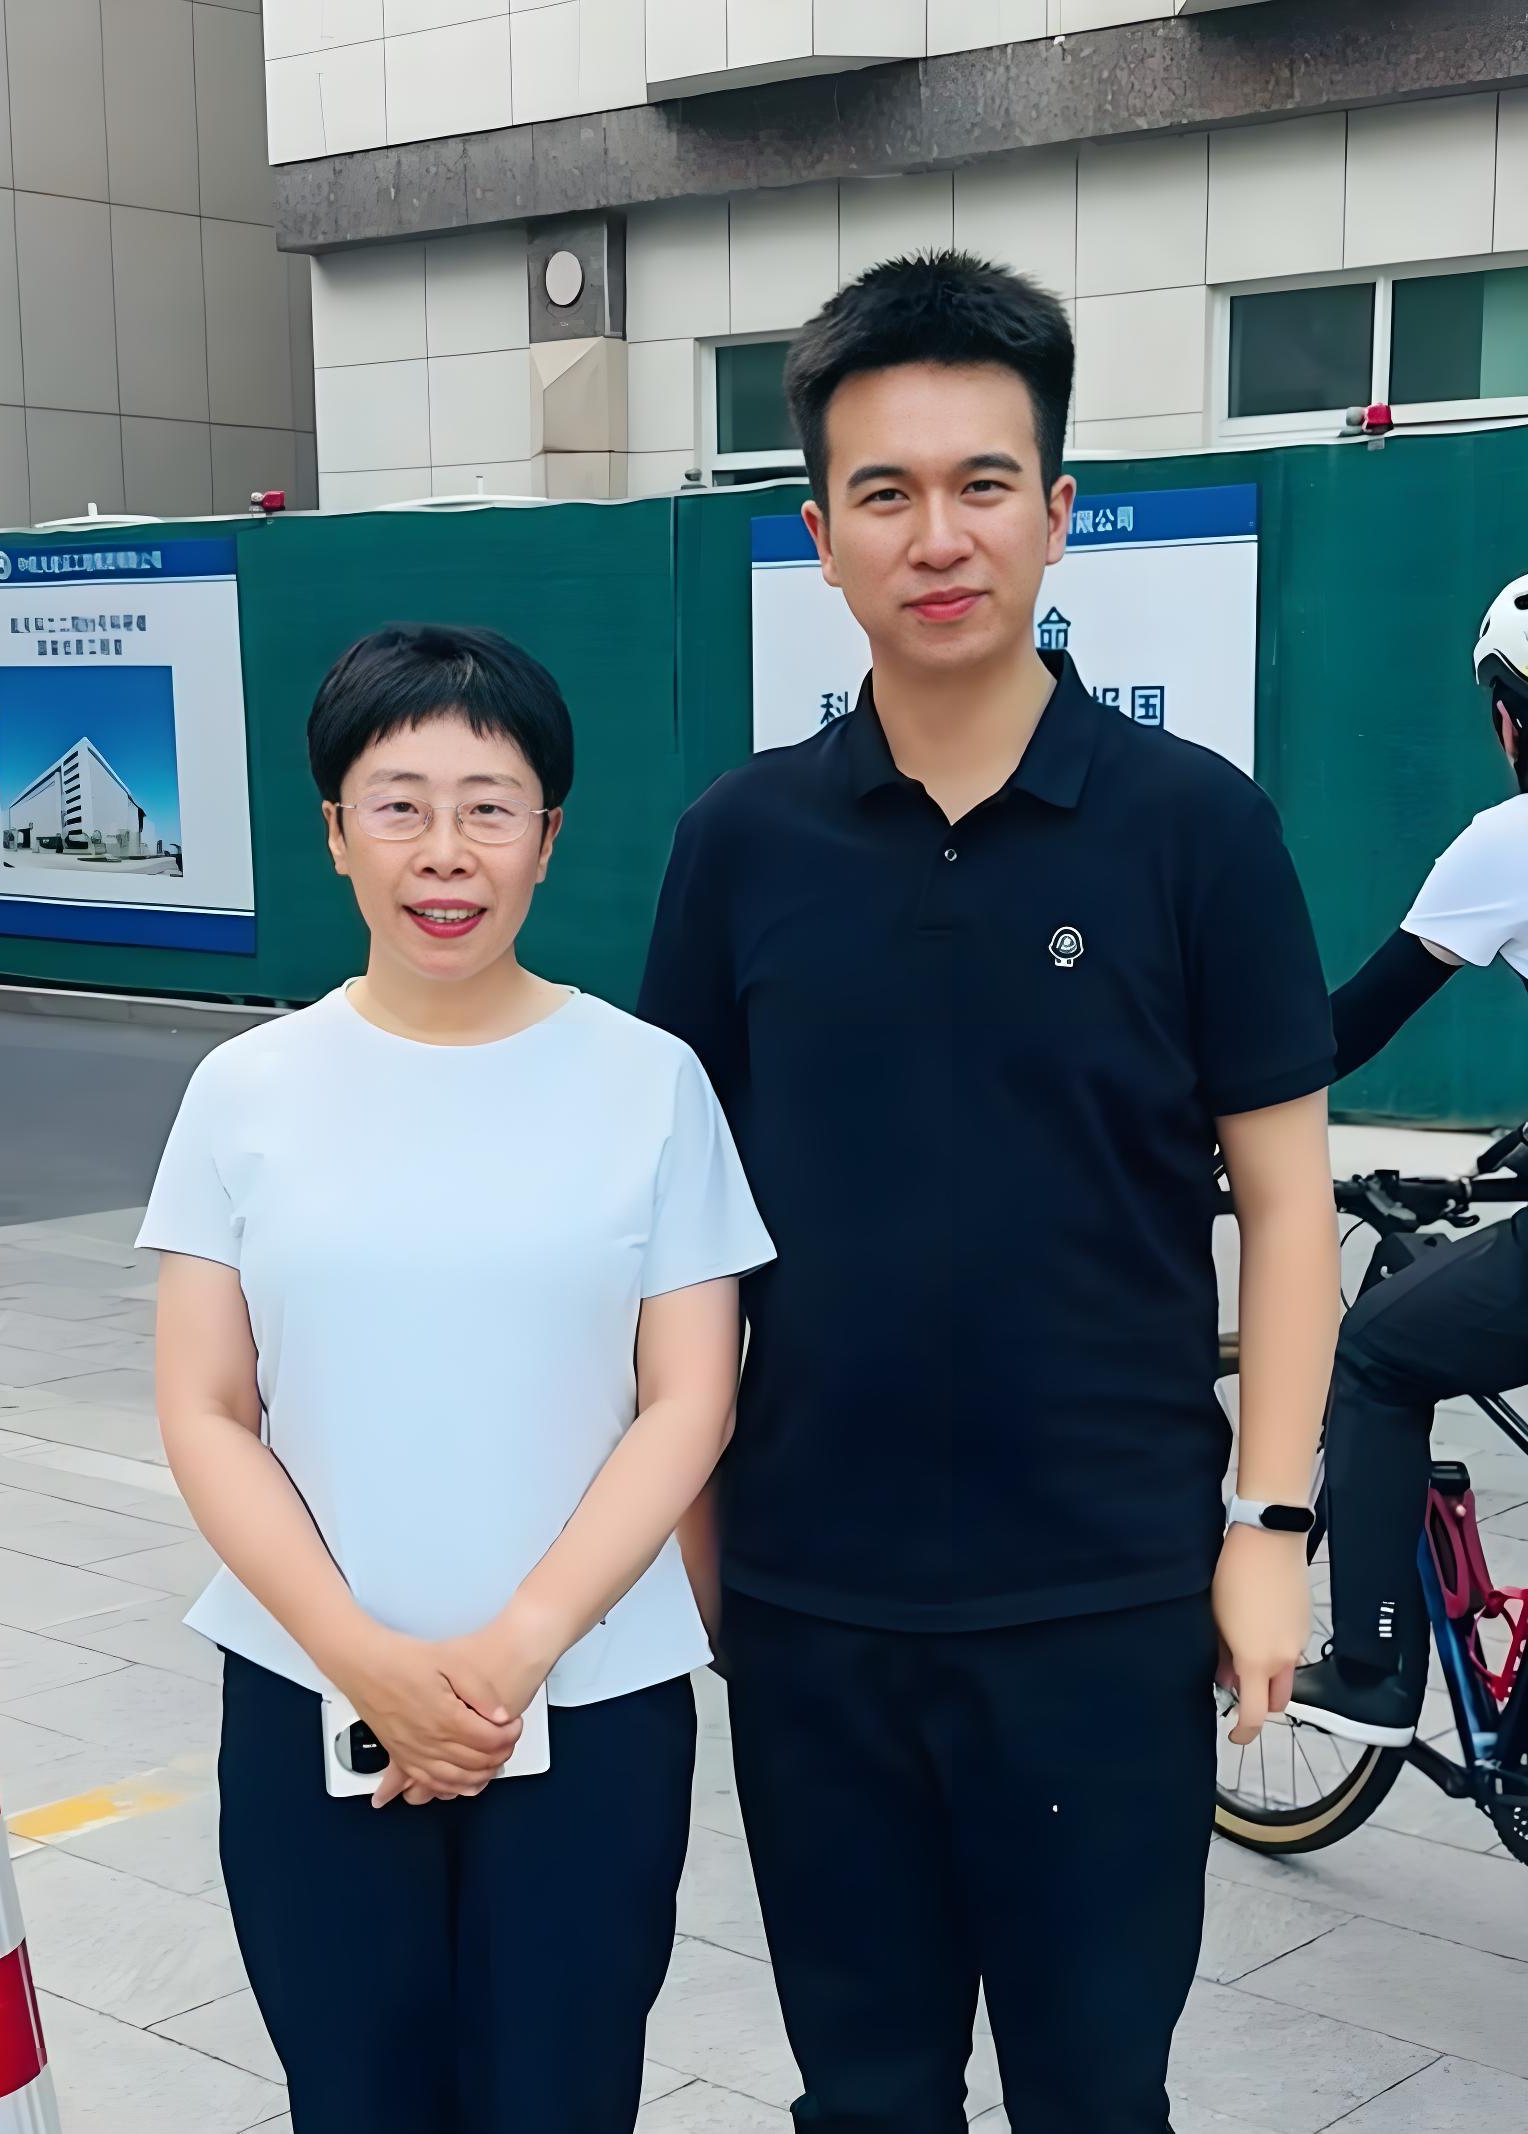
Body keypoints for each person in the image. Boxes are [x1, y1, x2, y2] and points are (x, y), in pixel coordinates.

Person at [638, 252, 1341, 2134]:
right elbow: (678, 1229)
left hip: (1107, 1593)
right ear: (819, 533)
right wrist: (696, 1533)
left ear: (1057, 508)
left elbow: (1288, 1204)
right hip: (814, 1600)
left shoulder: (1197, 827)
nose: (936, 536)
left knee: (1098, 2091)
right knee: (864, 2094)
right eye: (884, 490)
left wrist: (1268, 1523)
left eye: (981, 483)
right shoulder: (739, 845)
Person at [138, 623, 773, 2133]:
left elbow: (691, 1396)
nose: (445, 850)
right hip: (308, 1690)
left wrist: (518, 1648)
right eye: (399, 804)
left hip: (591, 1696)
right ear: (334, 832)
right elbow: (208, 1408)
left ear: (547, 837)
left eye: (490, 807)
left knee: (563, 2093)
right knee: (355, 2094)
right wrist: (358, 1653)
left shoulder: (649, 1081)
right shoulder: (246, 1090)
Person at [1287, 573, 1528, 1747]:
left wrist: (1182, 1103)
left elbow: (1347, 1028)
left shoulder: (1509, 842)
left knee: (1376, 1355)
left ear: (1507, 719)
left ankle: (1371, 1667)